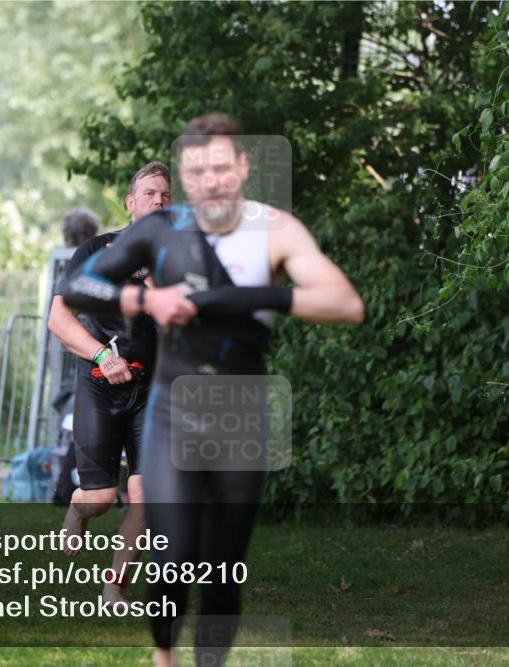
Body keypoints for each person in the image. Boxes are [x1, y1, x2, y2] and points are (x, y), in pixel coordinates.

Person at [60, 114, 364, 667]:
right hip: (172, 413)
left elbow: (346, 303)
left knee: (222, 573)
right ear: (186, 175)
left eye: (222, 167)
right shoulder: (160, 230)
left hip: (238, 418)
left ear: (242, 168)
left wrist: (251, 300)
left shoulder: (275, 229)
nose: (211, 180)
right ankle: (164, 656)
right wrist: (145, 301)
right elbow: (77, 286)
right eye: (197, 171)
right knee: (172, 561)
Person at [49, 161, 172, 605]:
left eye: (166, 196)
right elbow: (58, 318)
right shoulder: (99, 251)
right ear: (131, 202)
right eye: (150, 194)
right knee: (100, 497)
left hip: (152, 391)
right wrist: (102, 354)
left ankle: (114, 585)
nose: (158, 201)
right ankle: (77, 512)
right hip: (101, 381)